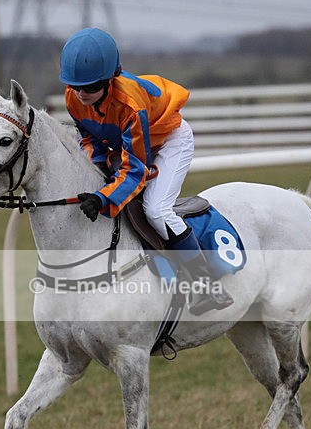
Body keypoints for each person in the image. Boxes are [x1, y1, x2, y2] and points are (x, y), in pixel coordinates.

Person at [59, 27, 233, 314]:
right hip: (129, 142)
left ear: (108, 80)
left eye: (90, 87)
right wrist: (98, 171)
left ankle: (205, 284)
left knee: (156, 209)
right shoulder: (72, 98)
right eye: (76, 86)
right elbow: (89, 140)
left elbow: (135, 170)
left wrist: (104, 198)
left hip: (170, 140)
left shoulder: (129, 104)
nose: (81, 94)